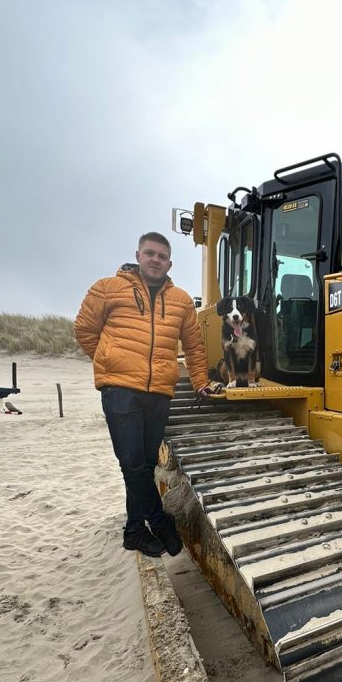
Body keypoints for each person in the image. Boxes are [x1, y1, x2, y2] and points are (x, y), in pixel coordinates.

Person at [74, 231, 209, 557]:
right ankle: (159, 521)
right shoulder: (107, 288)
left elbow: (194, 347)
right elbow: (84, 329)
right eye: (150, 253)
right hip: (120, 391)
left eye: (162, 256)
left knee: (145, 465)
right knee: (132, 463)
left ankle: (134, 531)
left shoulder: (180, 300)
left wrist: (201, 381)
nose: (155, 259)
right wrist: (110, 363)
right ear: (138, 255)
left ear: (169, 262)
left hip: (159, 393)